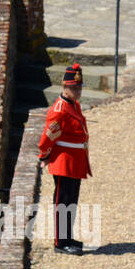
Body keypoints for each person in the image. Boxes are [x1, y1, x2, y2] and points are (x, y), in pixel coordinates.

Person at [38, 64, 89, 255]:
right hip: (63, 162)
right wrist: (43, 154)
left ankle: (67, 237)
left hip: (74, 161)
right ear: (65, 87)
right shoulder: (59, 110)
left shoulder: (73, 104)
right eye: (74, 87)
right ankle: (60, 242)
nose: (78, 90)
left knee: (71, 202)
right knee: (63, 202)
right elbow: (48, 136)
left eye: (79, 87)